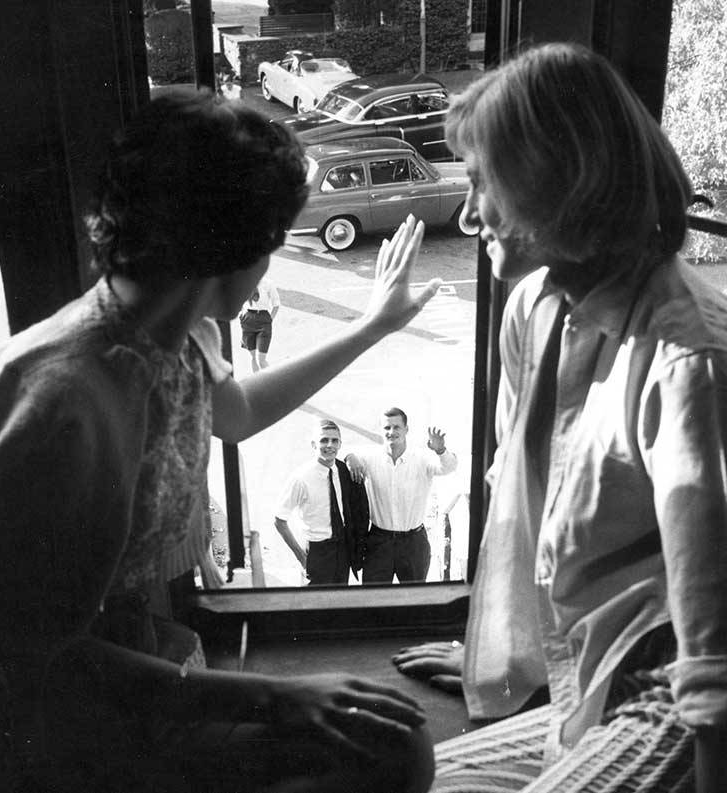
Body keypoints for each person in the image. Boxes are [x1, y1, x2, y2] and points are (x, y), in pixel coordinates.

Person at [0, 87, 440, 793]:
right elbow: (34, 660)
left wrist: (372, 325)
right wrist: (273, 694)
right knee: (391, 754)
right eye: (274, 239)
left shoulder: (183, 326)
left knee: (395, 744)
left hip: (150, 661)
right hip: (67, 721)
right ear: (233, 246)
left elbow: (237, 413)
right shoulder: (66, 401)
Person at [391, 43, 727, 792]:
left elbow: (714, 654)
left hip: (667, 707)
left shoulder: (687, 361)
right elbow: (533, 511)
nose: (467, 212)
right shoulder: (534, 309)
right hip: (586, 695)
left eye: (484, 184)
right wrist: (501, 653)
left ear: (556, 181)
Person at [345, 408, 457, 584]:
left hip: (413, 542)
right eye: (387, 428)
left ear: (406, 429)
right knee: (374, 599)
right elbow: (345, 452)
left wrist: (441, 450)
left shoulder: (422, 458)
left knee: (414, 600)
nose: (392, 432)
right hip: (379, 542)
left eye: (397, 427)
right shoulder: (370, 457)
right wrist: (350, 457)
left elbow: (448, 468)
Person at [274, 419, 369, 585]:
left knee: (339, 602)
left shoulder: (342, 470)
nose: (329, 445)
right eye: (324, 440)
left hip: (342, 549)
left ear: (340, 444)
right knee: (317, 603)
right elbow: (279, 520)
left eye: (334, 441)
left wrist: (350, 456)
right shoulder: (301, 478)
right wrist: (300, 556)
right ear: (313, 444)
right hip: (317, 550)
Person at [240, 275, 280, 371]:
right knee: (253, 357)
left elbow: (276, 304)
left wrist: (269, 320)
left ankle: (272, 381)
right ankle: (257, 382)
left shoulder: (268, 283)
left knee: (261, 359)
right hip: (248, 319)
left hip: (263, 319)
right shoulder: (244, 283)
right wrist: (242, 315)